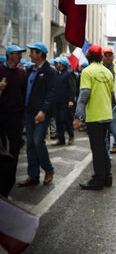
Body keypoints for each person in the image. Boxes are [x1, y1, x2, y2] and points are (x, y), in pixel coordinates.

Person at [73, 45, 114, 190]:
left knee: (97, 148)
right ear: (100, 57)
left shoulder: (87, 71)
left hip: (95, 116)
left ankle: (98, 180)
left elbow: (84, 95)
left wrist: (77, 116)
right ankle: (107, 177)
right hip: (107, 115)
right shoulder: (107, 72)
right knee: (103, 147)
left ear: (89, 57)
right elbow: (111, 93)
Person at [18, 42, 56, 187]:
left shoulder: (49, 71)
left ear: (40, 54)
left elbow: (52, 93)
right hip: (29, 112)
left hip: (41, 114)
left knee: (37, 142)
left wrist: (43, 111)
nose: (30, 54)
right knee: (30, 146)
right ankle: (33, 175)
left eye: (33, 52)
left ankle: (49, 169)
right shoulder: (31, 70)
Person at [0, 45, 27, 180]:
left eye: (21, 54)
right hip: (1, 114)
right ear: (9, 55)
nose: (20, 57)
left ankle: (11, 175)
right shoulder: (0, 70)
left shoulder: (22, 73)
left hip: (16, 114)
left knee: (15, 146)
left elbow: (24, 93)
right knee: (2, 146)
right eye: (17, 54)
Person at [53, 57, 76, 146]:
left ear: (62, 64)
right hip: (57, 101)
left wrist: (71, 99)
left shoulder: (69, 73)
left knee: (65, 119)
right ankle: (61, 139)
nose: (56, 64)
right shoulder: (57, 73)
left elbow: (72, 87)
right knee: (58, 120)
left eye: (58, 63)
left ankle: (71, 135)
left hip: (66, 102)